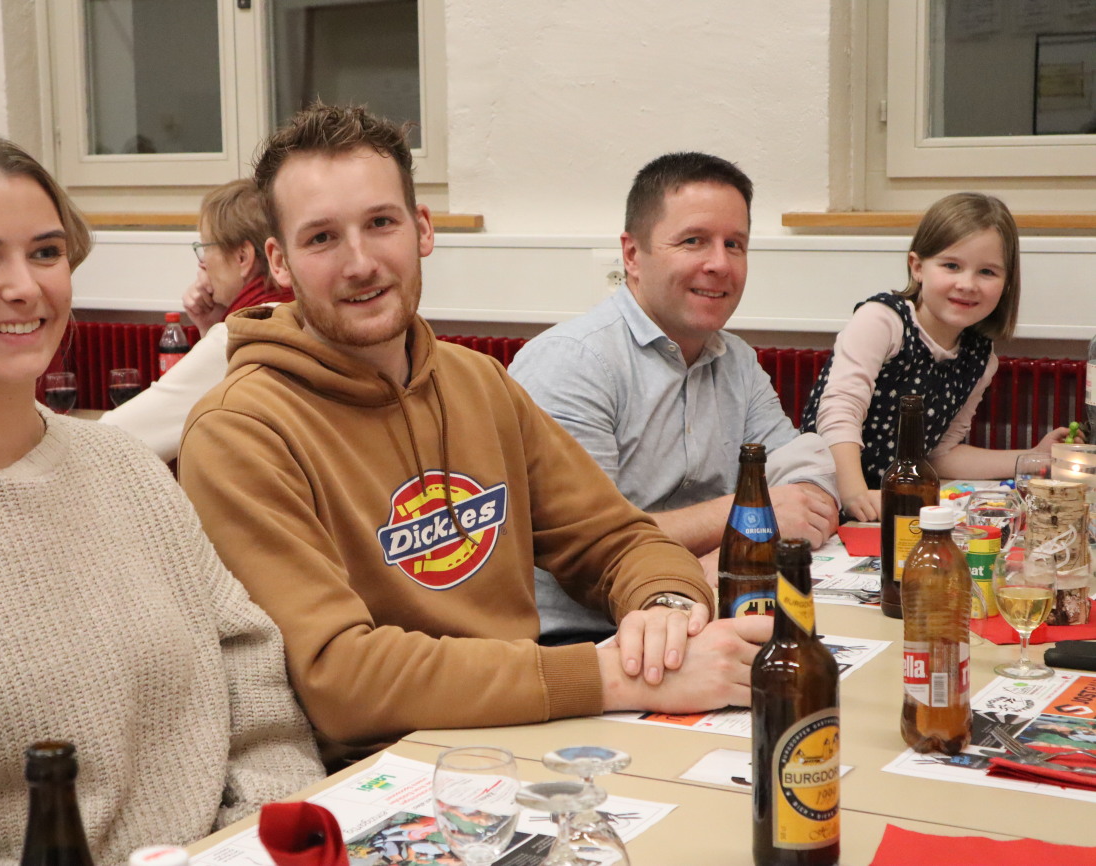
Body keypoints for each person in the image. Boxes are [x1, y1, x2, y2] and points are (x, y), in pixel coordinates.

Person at [178, 104, 771, 766]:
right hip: (381, 770)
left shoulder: (478, 383)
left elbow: (618, 539)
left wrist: (666, 608)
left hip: (530, 733)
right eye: (321, 238)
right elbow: (340, 677)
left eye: (381, 223)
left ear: (422, 229)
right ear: (279, 262)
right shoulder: (239, 431)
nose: (360, 263)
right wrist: (606, 676)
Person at [0, 130, 323, 865]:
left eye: (45, 252)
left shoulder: (127, 469)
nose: (26, 286)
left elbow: (255, 691)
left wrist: (252, 840)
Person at [508, 152, 840, 644]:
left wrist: (712, 567)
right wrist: (745, 521)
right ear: (632, 255)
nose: (720, 264)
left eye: (735, 244)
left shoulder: (736, 360)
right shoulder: (572, 362)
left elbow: (807, 474)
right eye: (693, 241)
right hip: (587, 639)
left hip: (704, 614)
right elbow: (590, 544)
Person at [798, 192, 1072, 521]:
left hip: (887, 508)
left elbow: (940, 455)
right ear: (917, 267)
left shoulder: (981, 359)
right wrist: (854, 494)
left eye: (987, 272)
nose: (967, 284)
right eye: (951, 266)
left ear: (1006, 284)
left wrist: (1033, 457)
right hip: (820, 493)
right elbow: (839, 412)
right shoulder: (882, 320)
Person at [100, 178, 293, 461]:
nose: (201, 264)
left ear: (243, 257)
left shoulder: (241, 336)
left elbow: (114, 439)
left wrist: (219, 332)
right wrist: (210, 326)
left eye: (205, 248)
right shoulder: (297, 311)